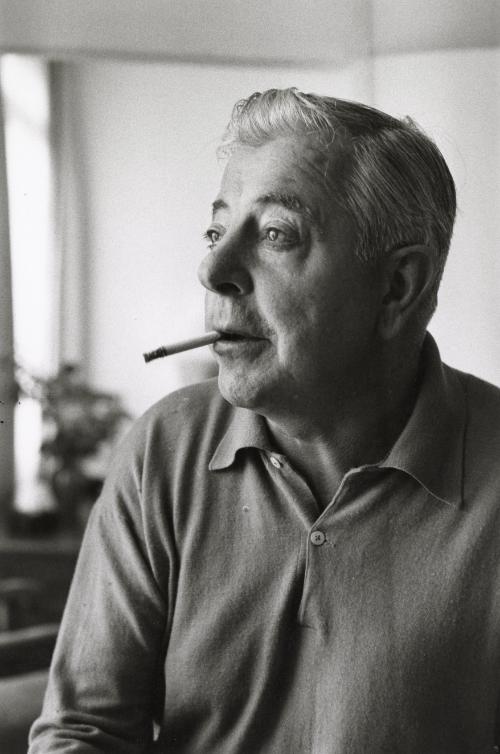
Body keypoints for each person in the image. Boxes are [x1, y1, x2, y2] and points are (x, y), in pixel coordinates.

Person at [29, 88, 500, 753]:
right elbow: (85, 731)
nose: (213, 270)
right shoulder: (164, 450)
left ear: (397, 288)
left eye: (276, 234)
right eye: (217, 231)